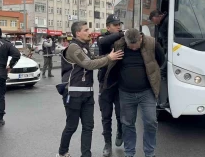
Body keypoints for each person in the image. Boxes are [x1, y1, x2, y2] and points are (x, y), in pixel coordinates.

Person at [56, 21, 124, 157]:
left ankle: (86, 154)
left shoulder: (85, 47)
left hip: (87, 94)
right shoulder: (74, 48)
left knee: (88, 126)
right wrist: (109, 58)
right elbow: (89, 64)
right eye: (86, 30)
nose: (89, 32)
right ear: (77, 33)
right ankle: (62, 152)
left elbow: (94, 59)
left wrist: (109, 57)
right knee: (72, 126)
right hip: (73, 93)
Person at [102, 28, 165, 157]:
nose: (134, 49)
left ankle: (150, 153)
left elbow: (161, 60)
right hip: (125, 93)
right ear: (125, 41)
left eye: (136, 46)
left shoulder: (152, 43)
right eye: (131, 46)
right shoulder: (119, 45)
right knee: (127, 124)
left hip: (147, 92)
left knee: (151, 122)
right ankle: (129, 153)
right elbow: (102, 44)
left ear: (141, 38)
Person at [97, 14, 125, 156]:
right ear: (108, 27)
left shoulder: (122, 38)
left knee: (121, 114)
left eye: (119, 24)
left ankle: (120, 132)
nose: (118, 27)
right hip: (105, 83)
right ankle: (107, 144)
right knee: (106, 116)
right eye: (115, 25)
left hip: (120, 82)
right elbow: (103, 43)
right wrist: (121, 34)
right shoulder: (102, 39)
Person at [149, 9, 169, 108]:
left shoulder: (167, 21)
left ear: (158, 17)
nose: (154, 23)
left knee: (162, 72)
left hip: (171, 50)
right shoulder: (164, 21)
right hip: (168, 50)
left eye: (153, 20)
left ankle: (163, 100)